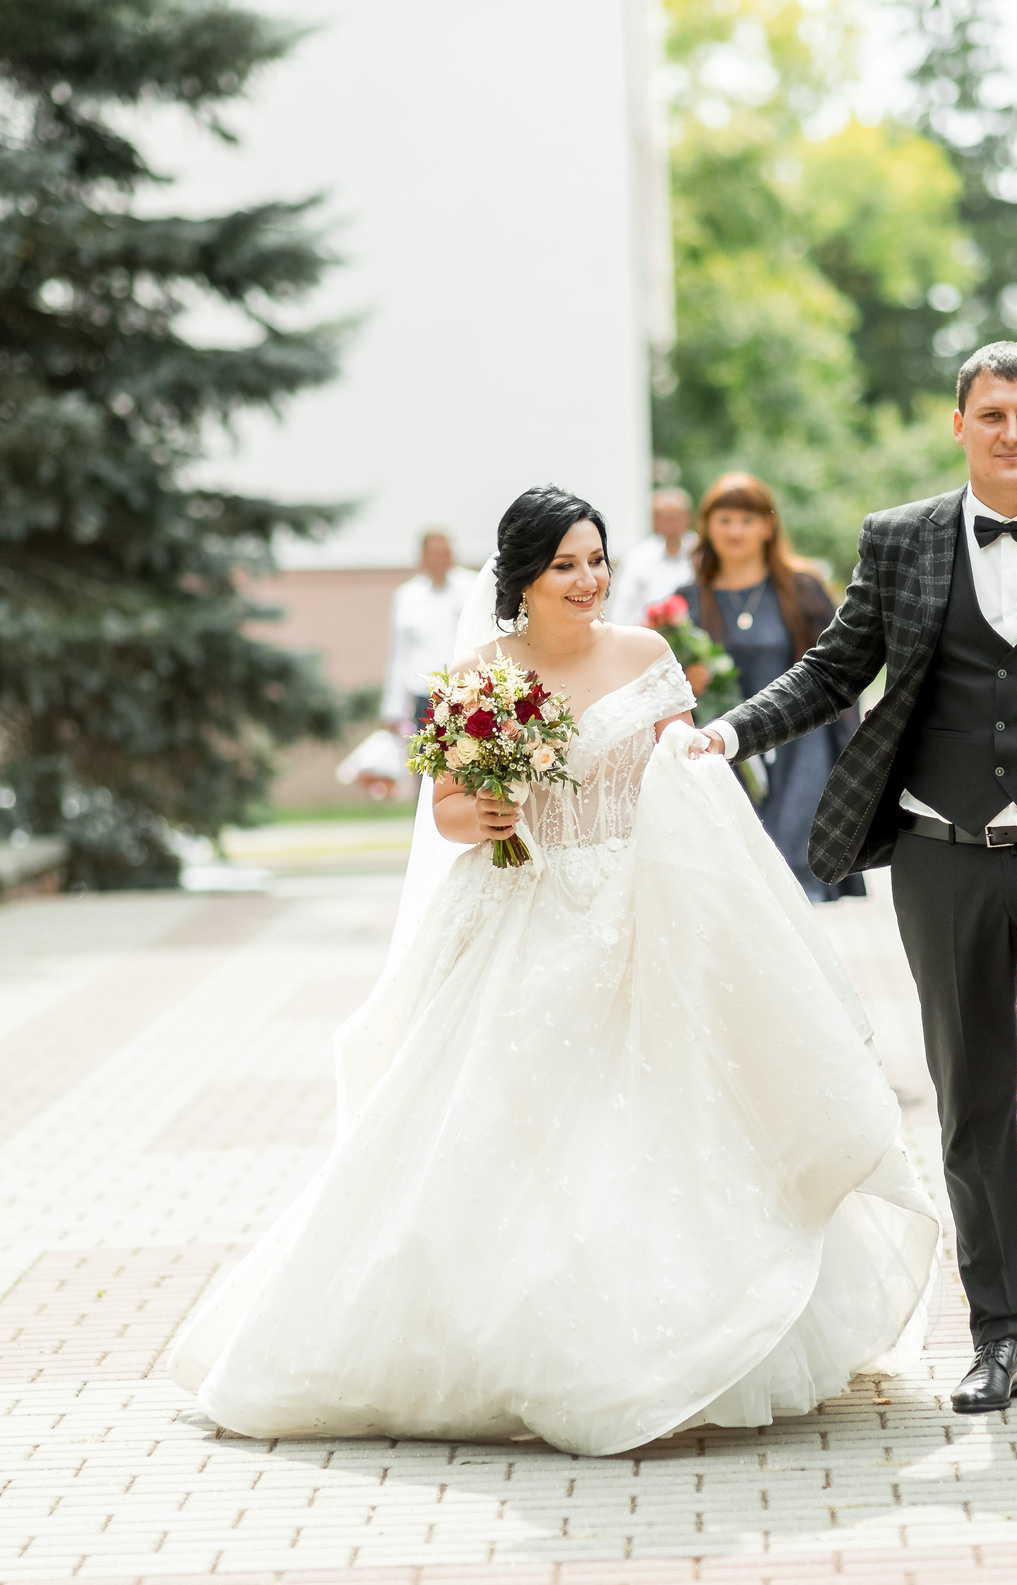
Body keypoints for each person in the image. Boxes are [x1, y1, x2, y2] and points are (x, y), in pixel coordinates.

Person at [170, 486, 936, 1457]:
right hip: (522, 911)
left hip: (640, 908)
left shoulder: (648, 658)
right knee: (510, 1122)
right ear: (522, 577)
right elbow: (445, 804)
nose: (588, 579)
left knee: (663, 1119)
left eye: (595, 559)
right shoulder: (479, 674)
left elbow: (688, 783)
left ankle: (692, 1339)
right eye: (565, 564)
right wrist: (480, 815)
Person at [693, 341, 1017, 1430]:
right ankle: (996, 1336)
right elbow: (836, 665)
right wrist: (730, 730)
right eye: (992, 414)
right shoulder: (902, 541)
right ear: (960, 425)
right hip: (940, 856)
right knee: (973, 1096)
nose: (1012, 431)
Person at [691, 473, 857, 903]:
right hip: (724, 755)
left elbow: (839, 675)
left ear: (768, 526)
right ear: (707, 526)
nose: (735, 531)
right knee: (736, 884)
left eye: (746, 520)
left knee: (793, 872)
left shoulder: (803, 591)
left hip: (801, 749)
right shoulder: (687, 601)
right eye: (724, 519)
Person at [380, 528, 473, 734]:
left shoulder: (472, 588)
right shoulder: (407, 596)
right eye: (435, 554)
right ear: (422, 558)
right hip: (425, 698)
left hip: (466, 694)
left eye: (445, 553)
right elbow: (400, 655)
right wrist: (392, 709)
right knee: (428, 763)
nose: (441, 560)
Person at [605, 486, 698, 626]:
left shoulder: (701, 554)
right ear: (655, 519)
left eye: (676, 516)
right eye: (664, 517)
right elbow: (621, 608)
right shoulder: (636, 559)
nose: (671, 523)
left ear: (688, 517)